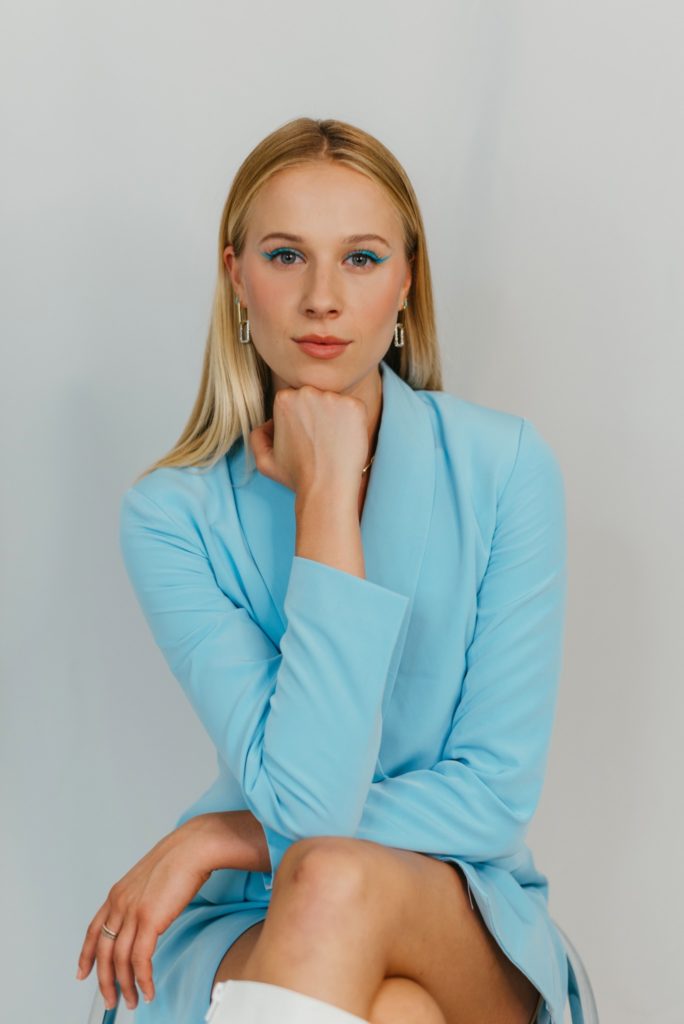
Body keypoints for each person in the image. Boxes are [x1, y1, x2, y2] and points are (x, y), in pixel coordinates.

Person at [76, 117, 594, 1024]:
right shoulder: (173, 514)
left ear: (406, 281)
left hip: (462, 911)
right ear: (235, 275)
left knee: (331, 875)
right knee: (386, 1002)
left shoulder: (504, 466)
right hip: (254, 919)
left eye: (360, 259)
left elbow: (491, 796)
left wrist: (218, 836)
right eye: (285, 256)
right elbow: (309, 804)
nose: (323, 298)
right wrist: (325, 496)